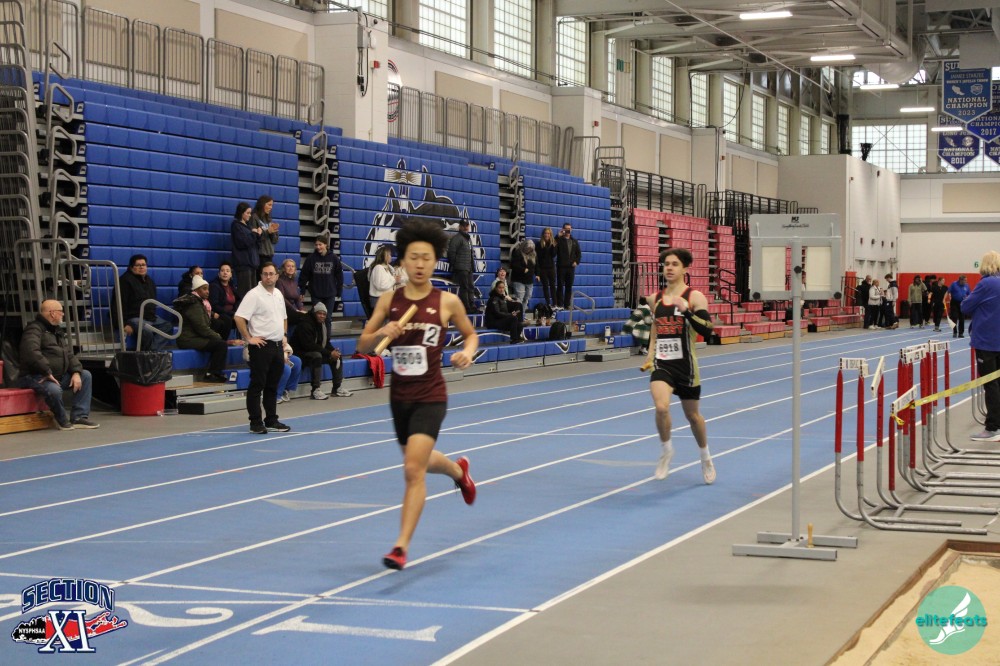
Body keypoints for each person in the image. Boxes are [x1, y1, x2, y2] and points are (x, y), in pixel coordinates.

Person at [358, 219, 478, 571]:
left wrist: (466, 353)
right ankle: (458, 471)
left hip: (431, 394)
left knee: (413, 469)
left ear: (435, 260)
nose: (420, 264)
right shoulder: (389, 300)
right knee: (420, 461)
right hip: (400, 396)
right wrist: (383, 330)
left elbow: (471, 335)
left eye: (427, 258)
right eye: (414, 258)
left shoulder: (447, 301)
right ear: (403, 261)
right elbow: (363, 345)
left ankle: (400, 547)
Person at [640, 248, 715, 485]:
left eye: (674, 264)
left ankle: (705, 456)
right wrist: (650, 353)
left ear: (685, 268)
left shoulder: (694, 297)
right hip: (662, 364)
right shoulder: (654, 299)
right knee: (661, 407)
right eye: (666, 264)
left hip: (686, 366)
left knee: (693, 416)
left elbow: (707, 329)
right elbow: (656, 326)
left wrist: (686, 312)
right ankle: (666, 450)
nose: (669, 268)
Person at [18, 300, 100, 430]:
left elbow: (68, 354)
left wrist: (76, 372)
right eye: (61, 311)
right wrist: (46, 371)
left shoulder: (57, 331)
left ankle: (79, 417)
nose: (63, 314)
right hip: (36, 376)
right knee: (55, 390)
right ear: (52, 313)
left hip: (56, 376)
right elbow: (31, 352)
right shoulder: (33, 329)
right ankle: (61, 419)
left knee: (85, 376)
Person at [234, 262, 290, 434]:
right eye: (265, 274)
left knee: (272, 385)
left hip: (277, 346)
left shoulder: (278, 294)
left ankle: (271, 419)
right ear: (261, 276)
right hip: (261, 347)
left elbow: (284, 317)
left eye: (271, 274)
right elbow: (239, 317)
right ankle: (255, 422)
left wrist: (283, 335)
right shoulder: (254, 295)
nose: (268, 277)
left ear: (277, 276)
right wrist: (249, 338)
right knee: (257, 385)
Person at [962, 251, 1000, 441]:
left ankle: (993, 427)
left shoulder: (986, 283)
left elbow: (965, 307)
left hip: (987, 341)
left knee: (990, 384)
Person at [173, 276, 231, 383]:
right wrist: (217, 336)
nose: (207, 291)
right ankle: (213, 374)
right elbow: (201, 327)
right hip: (188, 339)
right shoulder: (194, 304)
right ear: (196, 290)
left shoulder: (198, 302)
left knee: (220, 335)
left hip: (194, 336)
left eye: (208, 289)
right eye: (204, 289)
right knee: (221, 345)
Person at [289, 302, 352, 400]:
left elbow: (325, 343)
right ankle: (315, 390)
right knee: (316, 356)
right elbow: (309, 345)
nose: (322, 316)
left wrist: (333, 351)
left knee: (337, 356)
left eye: (324, 314)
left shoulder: (322, 325)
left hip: (313, 350)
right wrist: (329, 353)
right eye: (319, 313)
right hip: (300, 353)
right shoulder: (305, 324)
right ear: (315, 313)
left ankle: (337, 388)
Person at [115, 254, 173, 351]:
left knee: (167, 326)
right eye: (138, 265)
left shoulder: (149, 281)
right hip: (133, 317)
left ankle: (151, 351)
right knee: (147, 331)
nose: (141, 267)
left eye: (143, 265)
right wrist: (124, 324)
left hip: (149, 317)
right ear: (131, 267)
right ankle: (149, 353)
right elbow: (119, 304)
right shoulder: (124, 281)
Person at [298, 231, 344, 335]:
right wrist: (302, 290)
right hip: (316, 294)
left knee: (327, 318)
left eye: (320, 244)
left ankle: (327, 340)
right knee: (317, 318)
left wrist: (339, 290)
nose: (318, 247)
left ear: (326, 245)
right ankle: (317, 339)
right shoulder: (311, 258)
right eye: (316, 245)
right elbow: (304, 275)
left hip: (330, 294)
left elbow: (339, 275)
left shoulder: (334, 258)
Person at [230, 202, 260, 301]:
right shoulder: (236, 226)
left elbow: (253, 243)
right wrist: (254, 234)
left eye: (250, 213)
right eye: (247, 213)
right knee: (245, 294)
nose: (249, 215)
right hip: (243, 264)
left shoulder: (248, 227)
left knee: (253, 294)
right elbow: (242, 243)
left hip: (252, 264)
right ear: (241, 213)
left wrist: (258, 235)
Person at [447, 219, 475, 312]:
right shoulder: (457, 238)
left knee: (470, 287)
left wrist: (472, 267)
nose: (465, 227)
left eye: (467, 225)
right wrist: (456, 266)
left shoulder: (468, 239)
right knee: (465, 288)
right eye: (463, 225)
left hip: (468, 268)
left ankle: (472, 306)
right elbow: (451, 253)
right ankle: (466, 307)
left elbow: (470, 254)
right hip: (461, 268)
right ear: (460, 227)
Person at [208, 261, 239, 339]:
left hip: (231, 313)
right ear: (219, 274)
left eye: (227, 271)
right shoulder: (214, 286)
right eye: (222, 271)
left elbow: (238, 299)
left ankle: (245, 341)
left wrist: (236, 312)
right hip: (220, 313)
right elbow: (214, 305)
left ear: (231, 274)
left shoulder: (231, 285)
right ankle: (223, 342)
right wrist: (231, 313)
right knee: (227, 319)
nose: (225, 273)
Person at [556, 222, 581, 310]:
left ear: (571, 229)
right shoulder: (559, 240)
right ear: (563, 229)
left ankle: (567, 304)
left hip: (571, 268)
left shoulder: (574, 241)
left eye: (569, 229)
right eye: (566, 229)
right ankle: (559, 304)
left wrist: (576, 262)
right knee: (560, 286)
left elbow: (578, 254)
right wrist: (557, 236)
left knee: (569, 286)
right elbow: (553, 247)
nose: (568, 230)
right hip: (561, 267)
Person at [251, 195, 279, 272]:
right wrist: (267, 232)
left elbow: (275, 241)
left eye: (272, 205)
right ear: (262, 204)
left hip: (269, 254)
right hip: (259, 255)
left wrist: (274, 232)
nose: (271, 207)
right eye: (269, 205)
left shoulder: (268, 219)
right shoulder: (254, 217)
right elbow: (254, 238)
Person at [510, 238, 537, 314]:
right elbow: (513, 265)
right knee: (520, 298)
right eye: (528, 248)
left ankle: (522, 314)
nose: (529, 250)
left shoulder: (534, 254)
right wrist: (522, 269)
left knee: (527, 297)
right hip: (519, 279)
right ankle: (518, 315)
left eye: (531, 249)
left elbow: (536, 265)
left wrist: (537, 274)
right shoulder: (518, 253)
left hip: (529, 279)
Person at [369, 245, 398, 310]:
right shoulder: (378, 268)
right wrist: (394, 280)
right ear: (384, 256)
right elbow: (381, 286)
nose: (391, 257)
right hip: (379, 300)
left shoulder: (388, 268)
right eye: (389, 255)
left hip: (386, 298)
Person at [536, 227, 557, 308]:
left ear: (550, 234)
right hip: (543, 268)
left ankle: (554, 303)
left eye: (548, 233)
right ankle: (548, 303)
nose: (547, 235)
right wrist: (544, 247)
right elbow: (539, 257)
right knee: (545, 286)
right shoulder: (539, 244)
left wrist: (553, 246)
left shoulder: (553, 243)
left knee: (552, 286)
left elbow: (553, 255)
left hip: (551, 267)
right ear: (543, 234)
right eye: (545, 233)